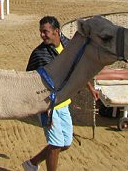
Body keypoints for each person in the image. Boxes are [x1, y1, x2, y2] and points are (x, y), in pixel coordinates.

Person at [23, 16, 74, 171]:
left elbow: (76, 68)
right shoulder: (39, 54)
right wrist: (40, 107)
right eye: (41, 32)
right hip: (48, 105)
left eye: (45, 31)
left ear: (56, 31)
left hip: (64, 102)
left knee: (65, 143)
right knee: (55, 144)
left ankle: (31, 164)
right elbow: (30, 80)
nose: (42, 35)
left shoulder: (68, 46)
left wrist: (90, 89)